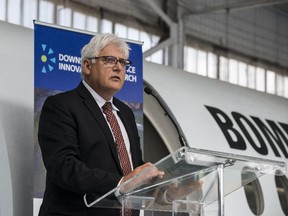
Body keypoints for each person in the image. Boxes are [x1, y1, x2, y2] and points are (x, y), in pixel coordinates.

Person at [37, 33, 164, 216]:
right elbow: (63, 167)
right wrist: (121, 183)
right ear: (87, 66)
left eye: (123, 63)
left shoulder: (126, 113)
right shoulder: (61, 105)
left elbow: (129, 166)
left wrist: (163, 189)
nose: (118, 68)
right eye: (110, 60)